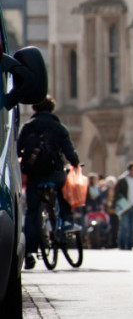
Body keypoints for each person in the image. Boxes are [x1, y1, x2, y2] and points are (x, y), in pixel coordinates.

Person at [16, 95, 80, 269]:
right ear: (51, 109)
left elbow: (18, 149)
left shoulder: (28, 126)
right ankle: (66, 220)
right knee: (64, 189)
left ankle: (29, 253)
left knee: (32, 213)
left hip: (35, 175)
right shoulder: (58, 127)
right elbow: (69, 150)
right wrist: (75, 164)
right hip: (54, 173)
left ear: (34, 108)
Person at [114, 162, 133, 250]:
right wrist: (116, 204)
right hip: (125, 207)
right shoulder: (122, 180)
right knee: (124, 226)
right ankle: (122, 245)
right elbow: (117, 194)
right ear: (129, 170)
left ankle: (130, 245)